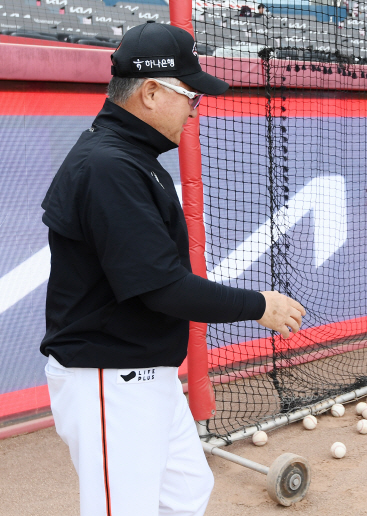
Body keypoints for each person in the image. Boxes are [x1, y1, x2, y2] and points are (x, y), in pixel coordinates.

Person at [40, 21, 305, 516]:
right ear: (151, 92)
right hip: (107, 375)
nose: (194, 107)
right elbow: (162, 288)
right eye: (190, 95)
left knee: (185, 490)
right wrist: (259, 306)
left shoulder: (131, 157)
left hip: (143, 371)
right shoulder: (109, 166)